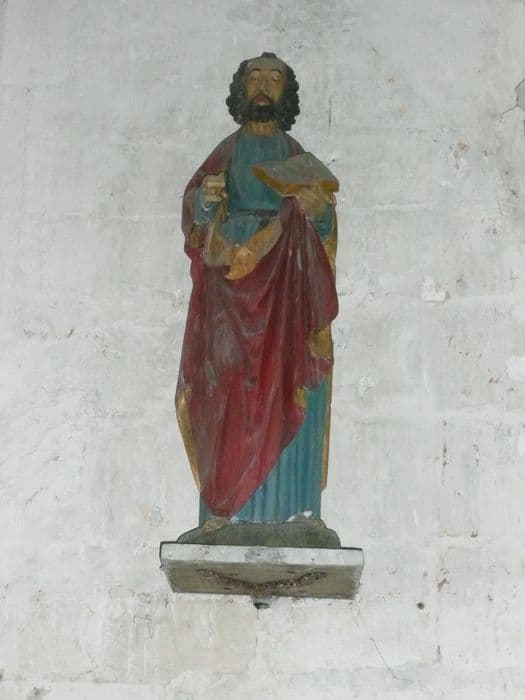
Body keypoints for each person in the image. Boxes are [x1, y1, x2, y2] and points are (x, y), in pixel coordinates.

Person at [176, 53, 338, 527]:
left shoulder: (296, 157)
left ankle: (296, 511)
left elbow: (325, 224)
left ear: (286, 92)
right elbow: (195, 215)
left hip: (288, 288)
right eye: (255, 77)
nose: (264, 86)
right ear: (241, 89)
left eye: (274, 78)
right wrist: (205, 201)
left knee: (296, 377)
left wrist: (318, 211)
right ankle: (224, 511)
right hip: (230, 292)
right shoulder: (225, 153)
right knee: (225, 387)